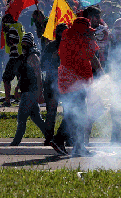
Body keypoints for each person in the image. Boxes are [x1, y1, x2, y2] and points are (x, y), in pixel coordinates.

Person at [9, 33, 66, 153]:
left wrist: (40, 92)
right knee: (37, 119)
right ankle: (50, 138)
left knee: (21, 118)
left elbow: (38, 76)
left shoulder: (33, 57)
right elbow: (23, 75)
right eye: (23, 44)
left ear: (30, 45)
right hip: (26, 91)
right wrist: (17, 87)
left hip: (31, 92)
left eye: (26, 45)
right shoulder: (25, 57)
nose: (24, 47)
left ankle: (15, 143)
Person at [58, 17, 101, 157]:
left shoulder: (70, 37)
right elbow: (90, 54)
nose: (90, 33)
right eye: (87, 31)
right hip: (76, 83)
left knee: (75, 115)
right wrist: (91, 39)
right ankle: (60, 140)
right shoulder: (78, 41)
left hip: (71, 82)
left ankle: (78, 146)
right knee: (77, 116)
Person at [0, 13, 25, 107]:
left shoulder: (11, 29)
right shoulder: (18, 27)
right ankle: (22, 100)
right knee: (21, 79)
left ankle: (7, 100)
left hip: (15, 57)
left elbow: (11, 42)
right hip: (21, 56)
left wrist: (7, 33)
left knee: (6, 79)